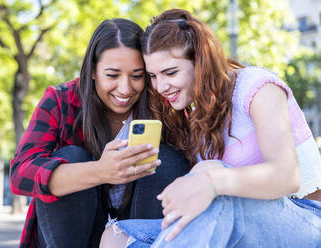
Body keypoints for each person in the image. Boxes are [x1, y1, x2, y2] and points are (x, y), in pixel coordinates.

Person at [100, 9, 321, 248]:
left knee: (210, 171)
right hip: (235, 224)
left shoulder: (257, 87)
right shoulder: (194, 114)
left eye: (171, 72)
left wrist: (211, 181)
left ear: (201, 62)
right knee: (117, 235)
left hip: (304, 219)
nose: (161, 86)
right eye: (153, 76)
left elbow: (287, 176)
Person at [10, 18, 191, 248]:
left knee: (169, 159)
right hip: (73, 234)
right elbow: (20, 174)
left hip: (133, 232)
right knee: (71, 157)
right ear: (93, 71)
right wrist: (100, 172)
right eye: (113, 75)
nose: (125, 89)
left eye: (137, 76)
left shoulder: (162, 104)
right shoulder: (62, 100)